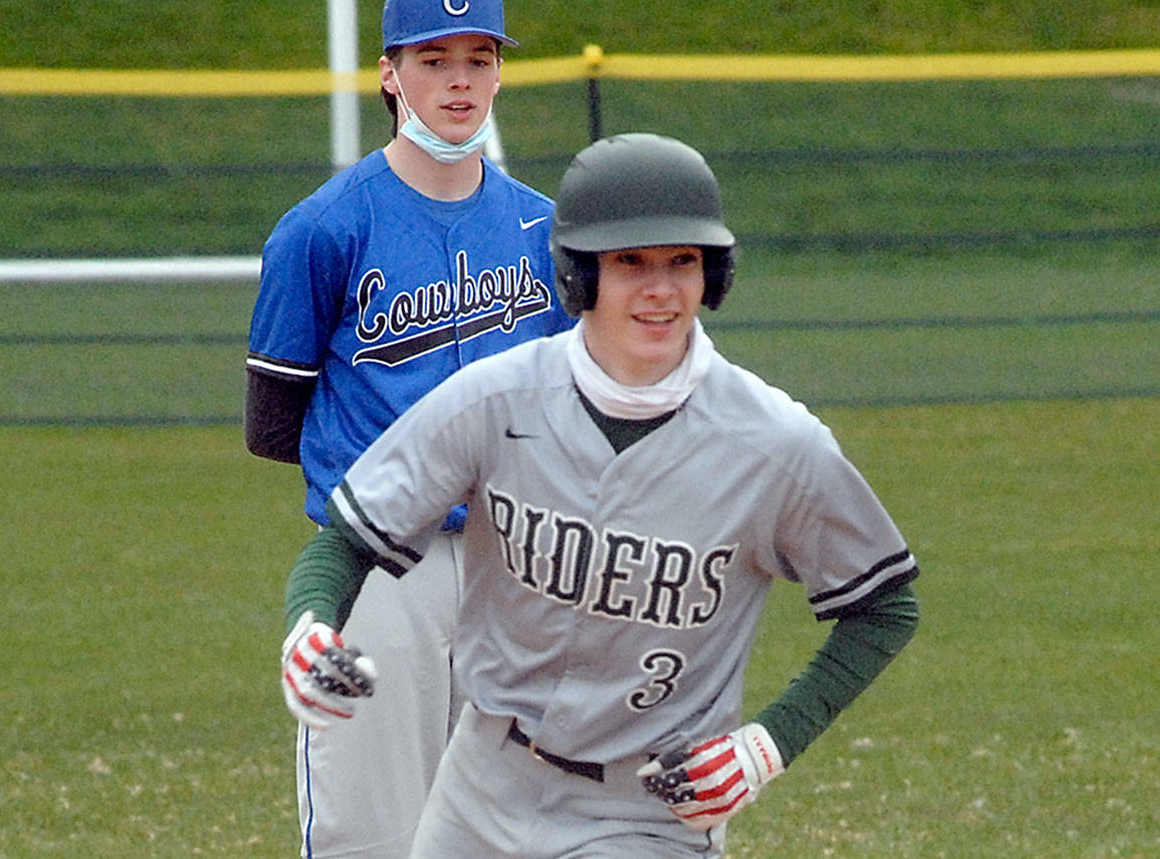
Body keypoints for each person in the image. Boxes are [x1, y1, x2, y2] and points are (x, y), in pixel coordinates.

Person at [278, 133, 921, 858]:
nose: (661, 289)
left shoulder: (774, 444)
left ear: (715, 275)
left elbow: (884, 605)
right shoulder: (497, 398)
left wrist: (766, 747)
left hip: (646, 813)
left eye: (684, 261)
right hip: (480, 785)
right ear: (580, 277)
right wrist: (310, 628)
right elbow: (349, 539)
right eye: (630, 263)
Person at [245, 0, 573, 855]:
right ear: (389, 74)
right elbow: (274, 425)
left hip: (519, 563)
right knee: (375, 827)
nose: (460, 83)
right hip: (385, 568)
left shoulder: (546, 229)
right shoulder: (323, 228)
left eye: (479, 59)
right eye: (434, 60)